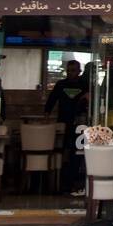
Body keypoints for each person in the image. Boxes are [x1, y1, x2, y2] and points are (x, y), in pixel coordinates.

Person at [46, 60, 89, 194]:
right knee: (63, 152)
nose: (71, 73)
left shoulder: (85, 85)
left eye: (74, 70)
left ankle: (74, 181)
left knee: (77, 153)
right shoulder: (61, 84)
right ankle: (62, 183)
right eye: (69, 70)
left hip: (79, 124)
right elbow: (52, 100)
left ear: (79, 71)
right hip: (63, 123)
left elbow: (89, 101)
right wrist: (46, 114)